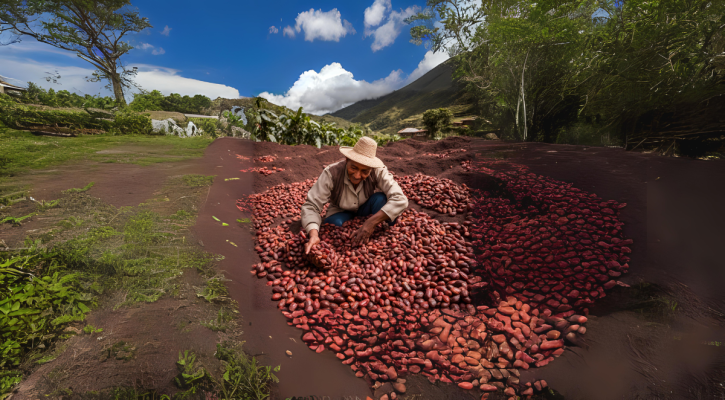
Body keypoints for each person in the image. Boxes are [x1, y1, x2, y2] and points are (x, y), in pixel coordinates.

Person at [301, 137, 409, 254]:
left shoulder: (377, 171)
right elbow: (311, 206)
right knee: (333, 227)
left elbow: (400, 199)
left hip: (365, 208)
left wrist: (371, 222)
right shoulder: (332, 173)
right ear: (347, 160)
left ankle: (382, 232)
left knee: (381, 199)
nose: (357, 176)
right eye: (354, 168)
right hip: (340, 211)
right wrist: (313, 235)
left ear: (371, 168)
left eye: (364, 171)